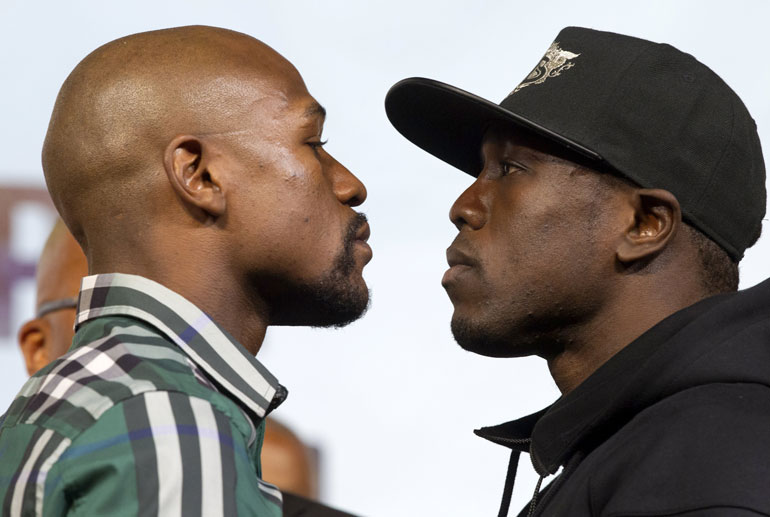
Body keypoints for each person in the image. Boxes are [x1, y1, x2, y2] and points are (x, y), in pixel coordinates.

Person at [386, 26, 769, 516]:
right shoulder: (656, 449)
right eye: (479, 172)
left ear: (643, 224)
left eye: (509, 170)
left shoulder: (710, 453)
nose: (464, 206)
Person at [0, 25, 370, 517]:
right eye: (314, 143)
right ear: (199, 175)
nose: (350, 185)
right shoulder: (166, 422)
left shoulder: (64, 402)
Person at [17, 219, 321, 501]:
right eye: (126, 312)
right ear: (38, 349)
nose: (170, 342)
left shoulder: (272, 456)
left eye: (191, 321)